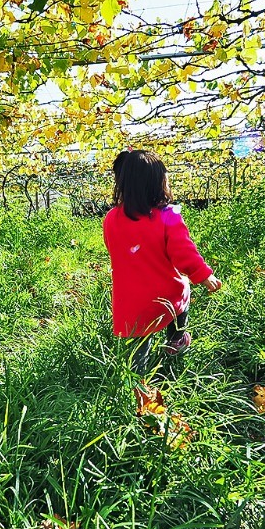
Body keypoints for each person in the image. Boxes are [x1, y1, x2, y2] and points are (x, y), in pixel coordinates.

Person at [103, 149, 221, 375]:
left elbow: (113, 248)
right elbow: (184, 253)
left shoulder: (111, 219)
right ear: (157, 184)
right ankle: (175, 343)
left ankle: (137, 382)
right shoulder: (168, 216)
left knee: (138, 344)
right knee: (181, 298)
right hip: (164, 295)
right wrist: (204, 275)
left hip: (130, 301)